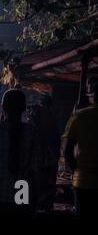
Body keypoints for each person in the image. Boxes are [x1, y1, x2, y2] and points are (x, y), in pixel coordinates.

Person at [0, 89, 37, 215]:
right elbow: (37, 164)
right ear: (24, 108)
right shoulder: (32, 131)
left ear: (3, 107)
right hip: (22, 191)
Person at [64, 77, 98, 215]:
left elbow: (67, 150)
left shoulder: (79, 116)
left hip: (83, 180)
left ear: (92, 97)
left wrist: (75, 170)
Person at [29, 94, 60, 212]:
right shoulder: (51, 119)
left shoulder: (33, 126)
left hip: (40, 164)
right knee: (47, 188)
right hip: (48, 162)